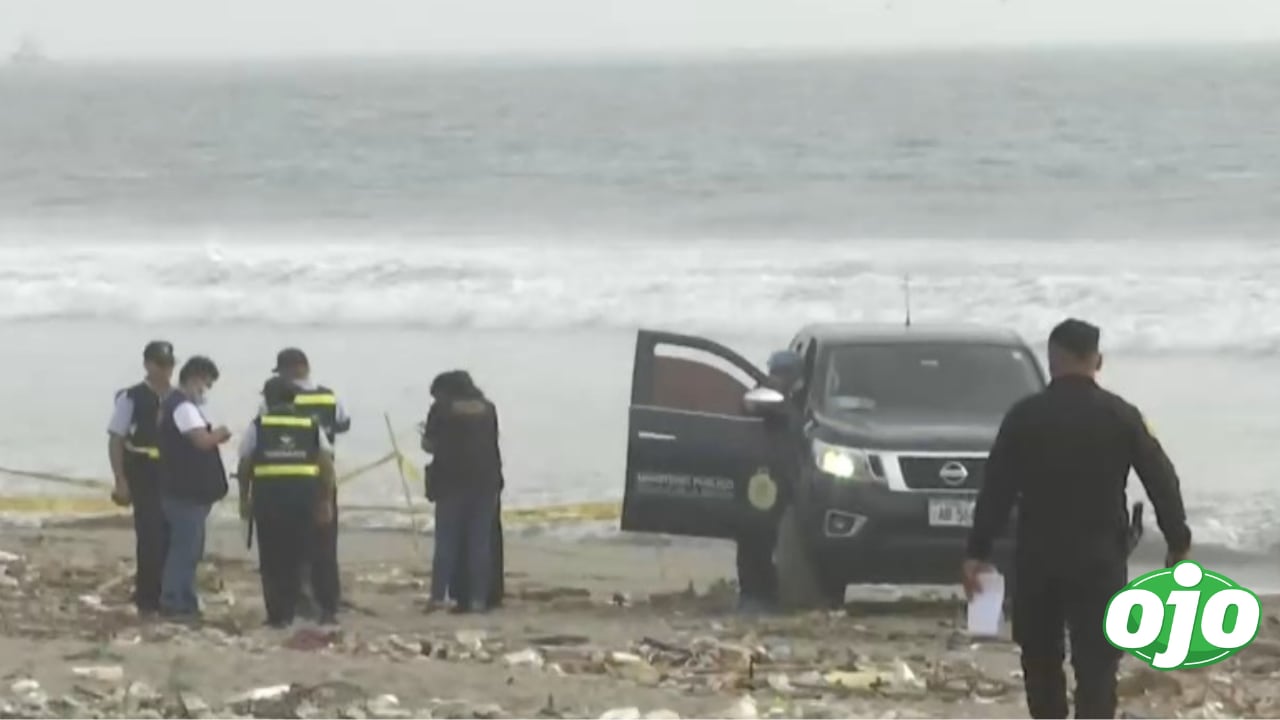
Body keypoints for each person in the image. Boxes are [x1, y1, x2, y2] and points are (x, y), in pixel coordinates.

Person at [963, 318, 1193, 720]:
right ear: (1097, 360)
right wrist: (1178, 541)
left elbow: (996, 490)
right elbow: (1161, 478)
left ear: (1051, 361)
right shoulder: (1120, 415)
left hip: (1037, 558)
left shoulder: (1024, 416)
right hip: (1099, 559)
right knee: (1098, 666)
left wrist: (976, 552)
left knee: (1041, 660)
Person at [238, 376, 338, 628]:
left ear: (268, 399)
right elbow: (326, 465)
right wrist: (325, 500)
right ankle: (301, 609)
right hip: (303, 499)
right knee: (302, 556)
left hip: (268, 500)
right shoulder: (310, 425)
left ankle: (278, 616)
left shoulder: (258, 425)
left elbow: (245, 464)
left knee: (272, 560)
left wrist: (244, 498)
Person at [270, 348, 350, 620]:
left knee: (291, 544)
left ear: (291, 369)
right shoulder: (328, 395)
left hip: (287, 478)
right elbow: (343, 423)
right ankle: (329, 601)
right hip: (324, 474)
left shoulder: (278, 397)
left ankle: (299, 600)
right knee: (325, 543)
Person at [156, 355, 232, 621]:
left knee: (190, 548)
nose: (205, 391)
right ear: (194, 378)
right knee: (184, 549)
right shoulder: (183, 407)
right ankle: (174, 601)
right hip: (184, 493)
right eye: (205, 385)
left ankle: (184, 597)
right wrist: (220, 434)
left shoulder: (175, 405)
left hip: (186, 492)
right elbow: (201, 441)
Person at [421, 370, 503, 614]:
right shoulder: (487, 408)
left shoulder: (442, 409)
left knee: (446, 542)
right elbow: (493, 440)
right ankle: (477, 599)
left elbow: (429, 445)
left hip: (451, 482)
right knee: (479, 543)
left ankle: (438, 596)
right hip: (486, 482)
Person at [106, 340, 176, 618]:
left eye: (169, 364)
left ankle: (168, 593)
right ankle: (147, 599)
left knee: (174, 536)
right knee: (150, 535)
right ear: (147, 365)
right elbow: (116, 439)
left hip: (173, 472)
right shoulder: (132, 397)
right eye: (160, 364)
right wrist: (120, 480)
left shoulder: (178, 397)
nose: (165, 370)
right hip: (143, 470)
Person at [736, 350, 804, 613]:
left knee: (765, 539)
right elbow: (753, 409)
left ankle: (764, 594)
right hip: (762, 479)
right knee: (756, 538)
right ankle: (754, 597)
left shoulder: (788, 400)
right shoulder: (767, 398)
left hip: (777, 479)